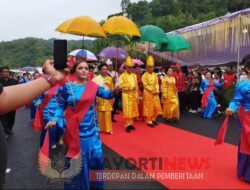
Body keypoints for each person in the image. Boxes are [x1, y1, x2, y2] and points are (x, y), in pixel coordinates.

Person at [0, 60, 68, 189]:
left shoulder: (61, 86)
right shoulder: (43, 86)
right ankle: (46, 144)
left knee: (60, 126)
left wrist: (54, 78)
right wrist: (37, 101)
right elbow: (38, 97)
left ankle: (57, 139)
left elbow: (3, 98)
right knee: (48, 128)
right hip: (47, 109)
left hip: (57, 110)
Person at [46, 61, 114, 189]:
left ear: (89, 71)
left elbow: (108, 95)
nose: (84, 70)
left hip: (92, 133)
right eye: (80, 68)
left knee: (96, 162)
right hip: (75, 133)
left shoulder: (94, 87)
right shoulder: (68, 87)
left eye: (86, 68)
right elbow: (60, 106)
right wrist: (55, 118)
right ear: (75, 71)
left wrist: (116, 88)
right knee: (78, 166)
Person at [226, 60, 250, 183]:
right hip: (247, 118)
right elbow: (236, 100)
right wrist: (231, 108)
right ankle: (246, 173)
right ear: (248, 69)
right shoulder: (243, 85)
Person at [93, 63, 114, 134]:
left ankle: (108, 129)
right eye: (103, 69)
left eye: (106, 69)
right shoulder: (96, 79)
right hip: (100, 98)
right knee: (100, 114)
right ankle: (99, 128)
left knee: (107, 114)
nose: (105, 70)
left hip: (108, 99)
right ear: (100, 70)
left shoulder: (110, 78)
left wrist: (112, 97)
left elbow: (112, 88)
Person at [119, 56, 139, 132]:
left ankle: (131, 123)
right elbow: (121, 85)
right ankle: (127, 125)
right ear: (126, 67)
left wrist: (137, 94)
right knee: (127, 110)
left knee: (133, 109)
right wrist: (130, 86)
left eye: (131, 67)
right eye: (129, 67)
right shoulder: (122, 76)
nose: (130, 69)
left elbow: (136, 86)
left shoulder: (134, 75)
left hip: (133, 95)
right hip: (126, 95)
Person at [142, 56, 162, 127]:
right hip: (148, 93)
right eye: (150, 67)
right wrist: (152, 90)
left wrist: (157, 90)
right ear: (147, 68)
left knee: (155, 106)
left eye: (152, 67)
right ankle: (149, 121)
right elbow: (145, 85)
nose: (151, 68)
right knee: (148, 107)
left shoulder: (155, 75)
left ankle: (153, 119)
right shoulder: (144, 75)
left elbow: (157, 83)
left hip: (155, 93)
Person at [0, 66, 18, 136]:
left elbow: (18, 91)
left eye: (7, 72)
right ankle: (5, 131)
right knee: (3, 118)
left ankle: (9, 128)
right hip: (2, 103)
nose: (6, 73)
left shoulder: (14, 81)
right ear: (1, 73)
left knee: (11, 117)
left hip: (12, 103)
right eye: (4, 72)